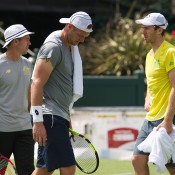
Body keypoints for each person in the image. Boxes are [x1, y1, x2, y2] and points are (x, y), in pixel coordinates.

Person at [31, 11, 93, 175]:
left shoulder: (69, 47)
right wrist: (37, 122)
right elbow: (36, 82)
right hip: (49, 117)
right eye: (80, 35)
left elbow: (61, 87)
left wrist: (67, 117)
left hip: (58, 116)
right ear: (70, 27)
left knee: (44, 169)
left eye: (85, 36)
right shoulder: (54, 46)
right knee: (68, 167)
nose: (83, 40)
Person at [132, 13, 175, 175]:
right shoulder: (149, 55)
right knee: (137, 159)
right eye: (142, 27)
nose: (142, 31)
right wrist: (147, 97)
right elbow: (151, 82)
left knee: (172, 167)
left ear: (159, 30)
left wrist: (168, 120)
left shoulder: (170, 52)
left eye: (147, 28)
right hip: (151, 118)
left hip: (169, 117)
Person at [0, 24, 35, 175]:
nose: (30, 43)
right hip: (2, 131)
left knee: (27, 171)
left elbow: (29, 95)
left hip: (25, 129)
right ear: (15, 42)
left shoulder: (28, 64)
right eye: (27, 39)